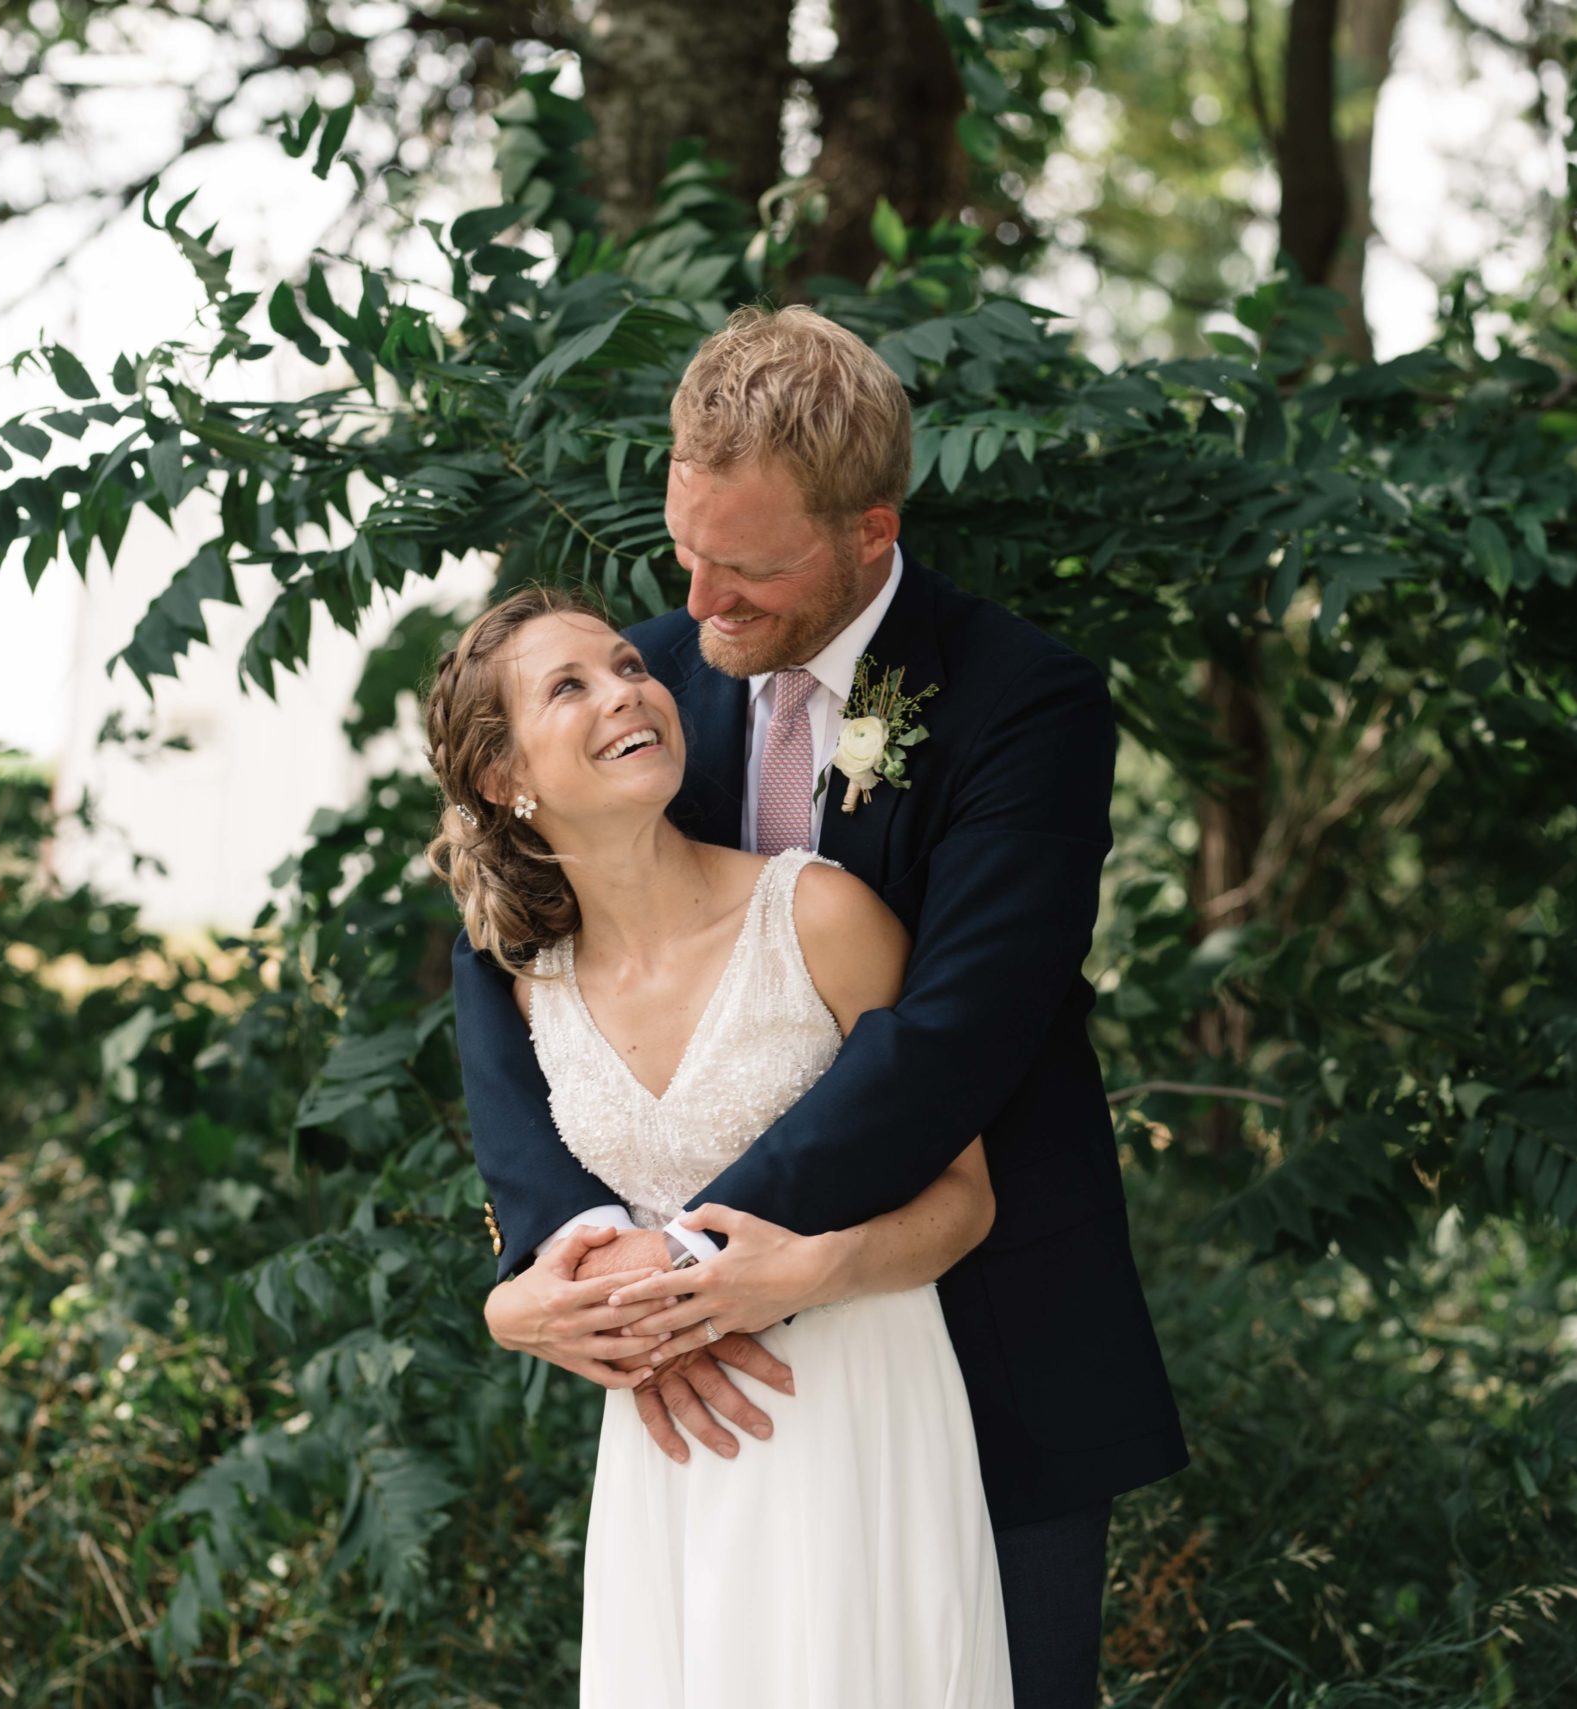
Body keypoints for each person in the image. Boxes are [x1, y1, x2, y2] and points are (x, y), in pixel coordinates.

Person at [450, 305, 1186, 1707]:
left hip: (986, 1325)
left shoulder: (1025, 705)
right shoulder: (643, 680)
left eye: (754, 568)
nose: (704, 601)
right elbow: (504, 939)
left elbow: (956, 1032)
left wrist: (695, 1269)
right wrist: (565, 1251)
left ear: (869, 530)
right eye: (689, 551)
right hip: (709, 1392)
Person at [427, 585, 1013, 1706]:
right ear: (508, 781)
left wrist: (810, 1269)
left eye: (625, 666)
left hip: (852, 1404)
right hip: (669, 1442)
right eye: (570, 686)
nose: (625, 689)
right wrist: (523, 1311)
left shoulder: (819, 916)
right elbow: (536, 1226)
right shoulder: (522, 983)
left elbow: (963, 1194)